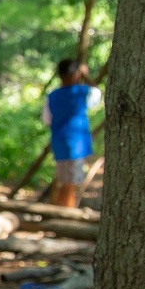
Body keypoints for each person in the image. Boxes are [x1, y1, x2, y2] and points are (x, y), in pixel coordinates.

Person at [42, 58, 102, 208]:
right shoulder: (82, 92)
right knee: (71, 184)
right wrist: (86, 75)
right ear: (76, 74)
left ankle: (58, 211)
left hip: (59, 142)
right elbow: (96, 93)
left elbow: (46, 119)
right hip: (76, 145)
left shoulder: (53, 96)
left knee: (64, 180)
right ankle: (65, 213)